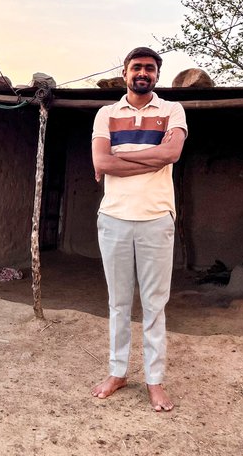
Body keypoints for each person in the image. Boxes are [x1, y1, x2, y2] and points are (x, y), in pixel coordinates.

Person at [90, 46, 187, 411]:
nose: (142, 73)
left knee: (154, 306)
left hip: (156, 218)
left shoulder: (171, 110)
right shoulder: (107, 113)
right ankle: (118, 372)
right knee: (118, 303)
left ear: (157, 75)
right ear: (125, 72)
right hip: (113, 217)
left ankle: (154, 380)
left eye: (149, 68)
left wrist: (121, 157)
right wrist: (147, 158)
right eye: (136, 68)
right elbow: (100, 160)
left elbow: (171, 154)